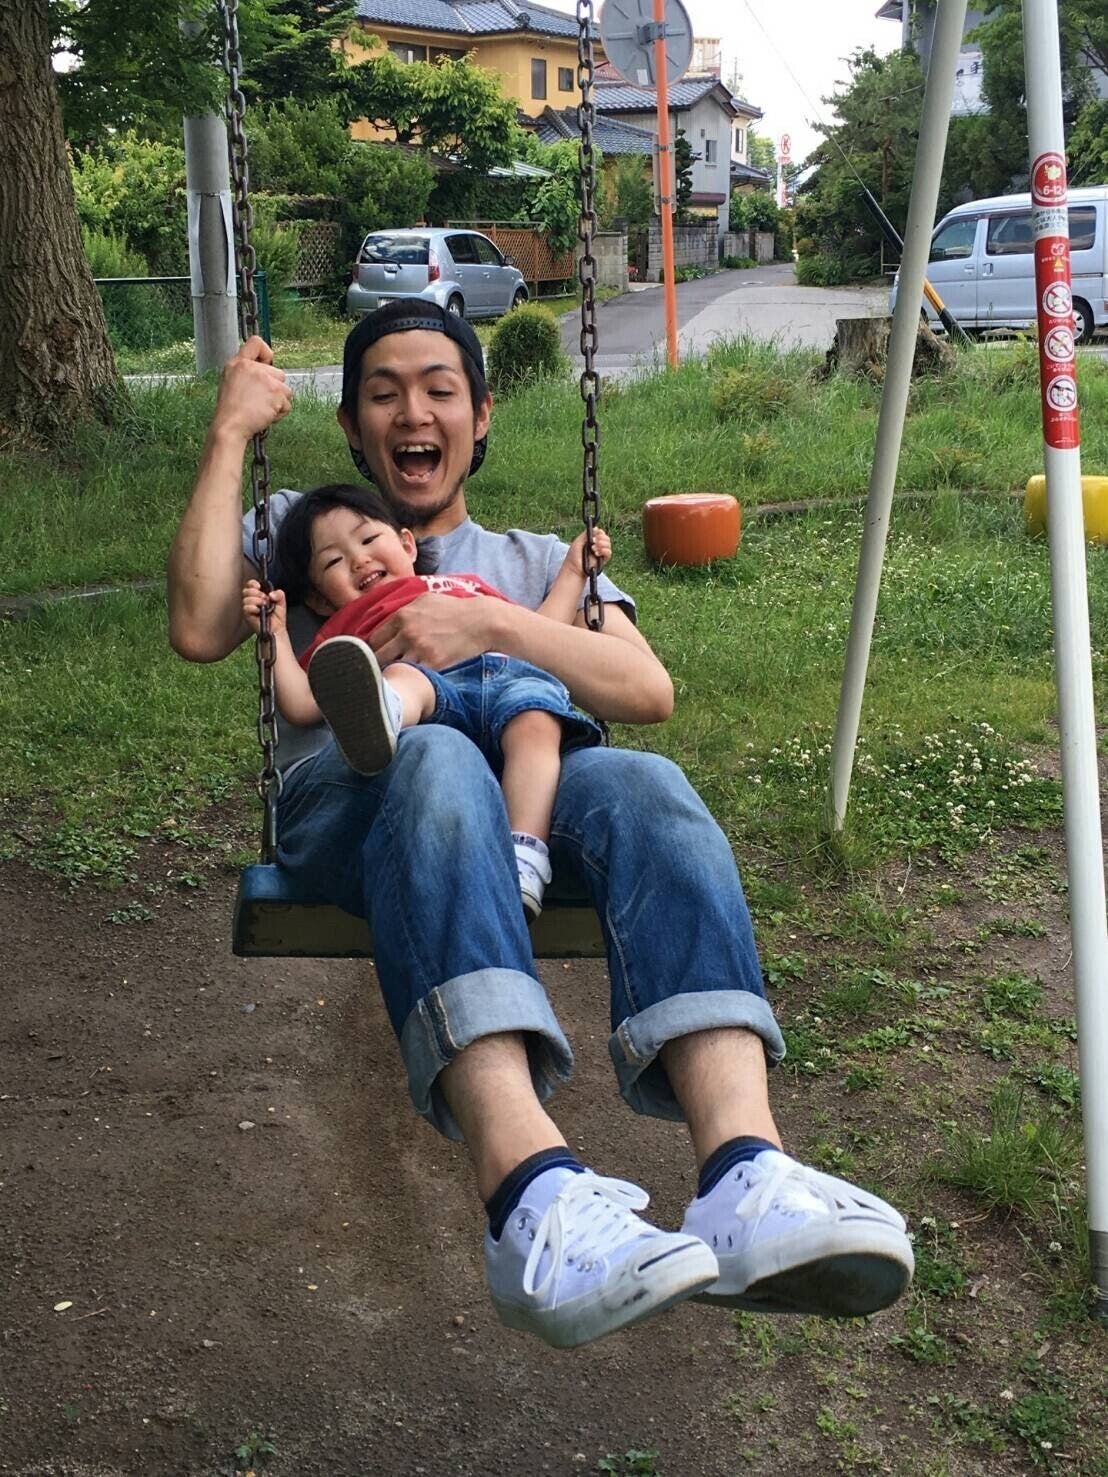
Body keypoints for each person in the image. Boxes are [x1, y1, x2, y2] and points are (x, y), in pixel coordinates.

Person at [168, 299, 914, 1351]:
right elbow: (200, 624)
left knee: (646, 784)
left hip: (531, 794)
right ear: (350, 425)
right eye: (383, 394)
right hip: (358, 802)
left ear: (479, 415)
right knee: (433, 756)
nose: (412, 413)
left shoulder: (528, 559)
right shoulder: (306, 528)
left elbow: (645, 689)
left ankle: (745, 1173)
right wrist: (230, 431)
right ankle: (527, 1195)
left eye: (438, 390)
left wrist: (492, 622)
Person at [241, 480, 613, 917]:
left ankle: (526, 857)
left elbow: (541, 625)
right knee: (404, 676)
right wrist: (276, 635)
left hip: (506, 680)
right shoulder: (348, 625)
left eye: (368, 539)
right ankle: (382, 714)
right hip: (438, 697)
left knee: (538, 720)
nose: (359, 559)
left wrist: (573, 571)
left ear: (407, 544)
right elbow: (303, 703)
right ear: (321, 600)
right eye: (334, 561)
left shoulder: (467, 588)